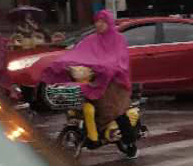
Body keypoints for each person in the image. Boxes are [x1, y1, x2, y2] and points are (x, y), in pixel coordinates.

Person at [42, 10, 138, 157]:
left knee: (116, 111)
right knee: (84, 105)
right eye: (97, 21)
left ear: (109, 23)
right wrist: (61, 63)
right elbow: (78, 53)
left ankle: (130, 143)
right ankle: (90, 134)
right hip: (94, 80)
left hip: (115, 83)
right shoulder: (92, 39)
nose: (98, 24)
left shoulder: (118, 40)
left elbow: (119, 60)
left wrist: (105, 67)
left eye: (102, 21)